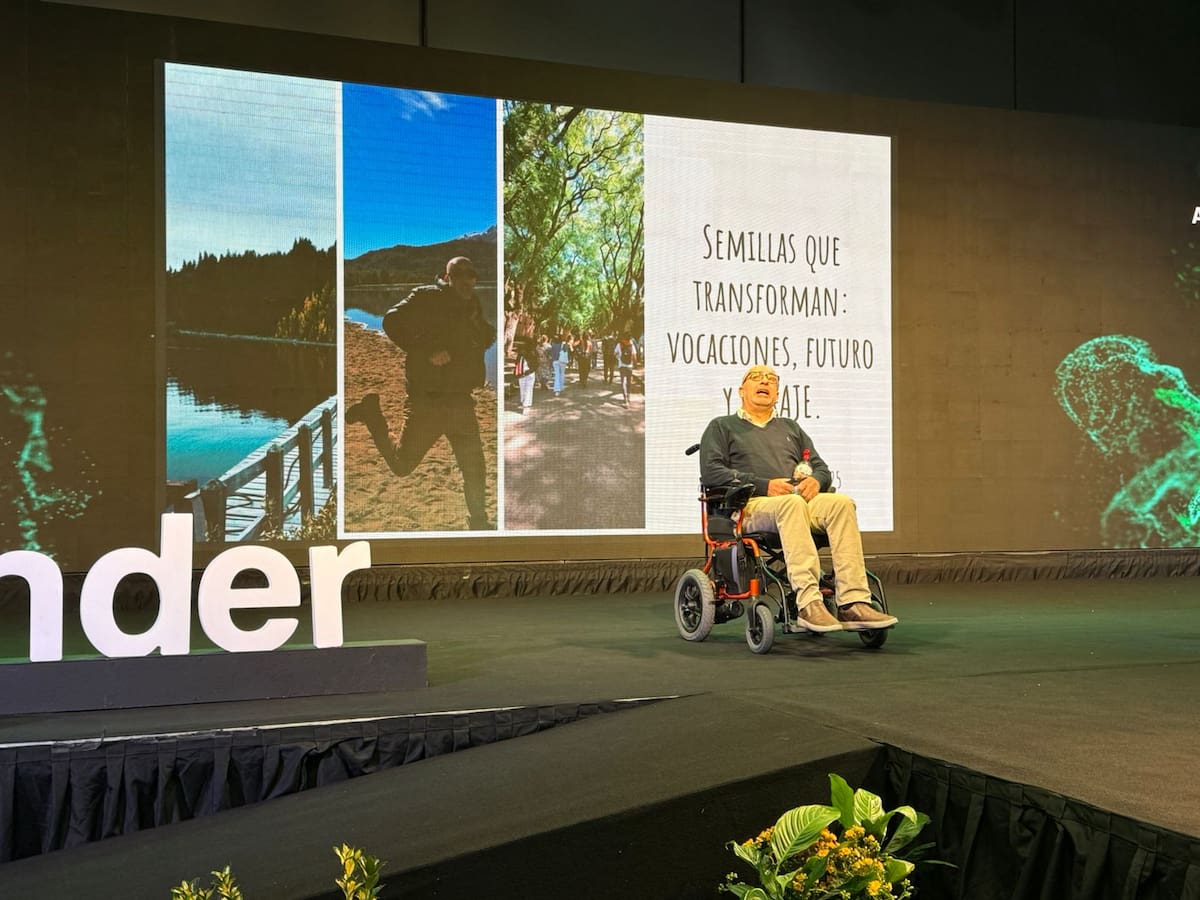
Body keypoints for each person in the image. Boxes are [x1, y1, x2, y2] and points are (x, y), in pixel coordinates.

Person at [698, 364, 897, 632]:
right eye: (756, 377)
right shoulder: (722, 426)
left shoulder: (790, 428)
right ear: (741, 391)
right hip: (749, 506)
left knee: (842, 504)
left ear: (777, 393)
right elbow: (712, 473)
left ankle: (853, 602)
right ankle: (809, 604)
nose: (764, 381)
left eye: (771, 379)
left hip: (796, 502)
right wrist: (765, 485)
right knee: (791, 504)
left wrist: (817, 481)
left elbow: (821, 467)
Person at [345, 256, 495, 531]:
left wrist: (482, 339)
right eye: (459, 273)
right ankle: (371, 415)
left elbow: (483, 334)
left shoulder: (471, 303)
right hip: (428, 402)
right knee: (402, 466)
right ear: (447, 276)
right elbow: (391, 321)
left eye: (471, 274)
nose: (467, 279)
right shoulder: (426, 296)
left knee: (475, 467)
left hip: (461, 401)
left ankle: (479, 523)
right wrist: (427, 350)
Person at [513, 328, 539, 414]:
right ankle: (525, 404)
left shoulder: (527, 353)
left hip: (525, 373)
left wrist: (529, 371)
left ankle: (525, 404)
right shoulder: (528, 353)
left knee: (525, 389)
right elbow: (517, 363)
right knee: (526, 389)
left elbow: (536, 364)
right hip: (525, 373)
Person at [614, 333, 637, 407]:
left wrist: (619, 358)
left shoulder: (619, 344)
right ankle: (629, 396)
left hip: (622, 366)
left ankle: (625, 399)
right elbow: (634, 355)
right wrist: (635, 364)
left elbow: (615, 354)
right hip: (629, 366)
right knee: (629, 382)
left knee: (623, 382)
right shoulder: (631, 344)